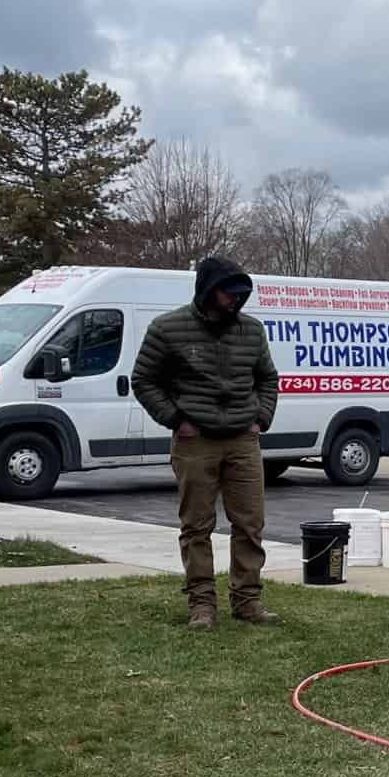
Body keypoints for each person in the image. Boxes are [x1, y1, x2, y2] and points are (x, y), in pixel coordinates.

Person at [131, 253, 281, 631]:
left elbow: (268, 378)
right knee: (197, 526)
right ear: (209, 291)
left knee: (250, 523)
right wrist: (176, 420)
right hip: (194, 442)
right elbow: (144, 380)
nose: (237, 300)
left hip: (243, 440)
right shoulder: (166, 329)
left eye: (241, 295)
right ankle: (202, 605)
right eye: (230, 294)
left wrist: (260, 419)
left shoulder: (251, 331)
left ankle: (248, 601)